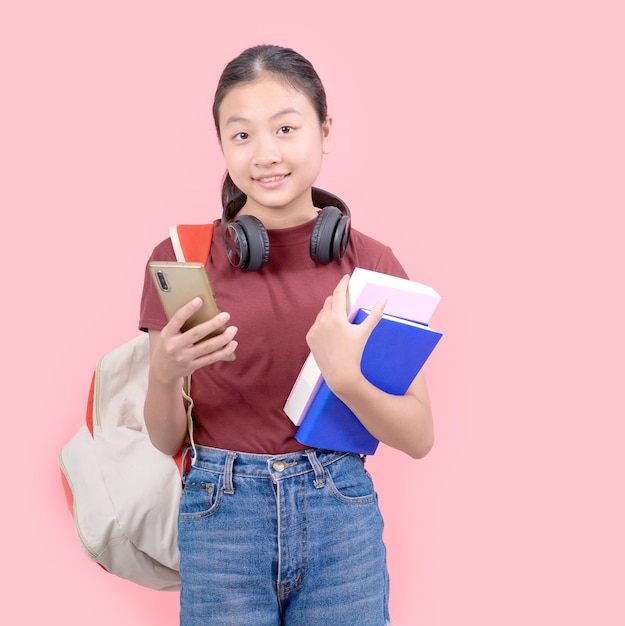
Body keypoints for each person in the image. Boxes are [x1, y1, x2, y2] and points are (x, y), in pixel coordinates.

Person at [139, 44, 434, 626]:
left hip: (340, 515)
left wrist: (346, 378)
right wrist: (166, 372)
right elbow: (164, 437)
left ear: (325, 132)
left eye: (286, 128)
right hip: (221, 514)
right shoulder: (183, 260)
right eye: (242, 135)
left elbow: (420, 435)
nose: (266, 154)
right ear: (221, 145)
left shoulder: (371, 268)